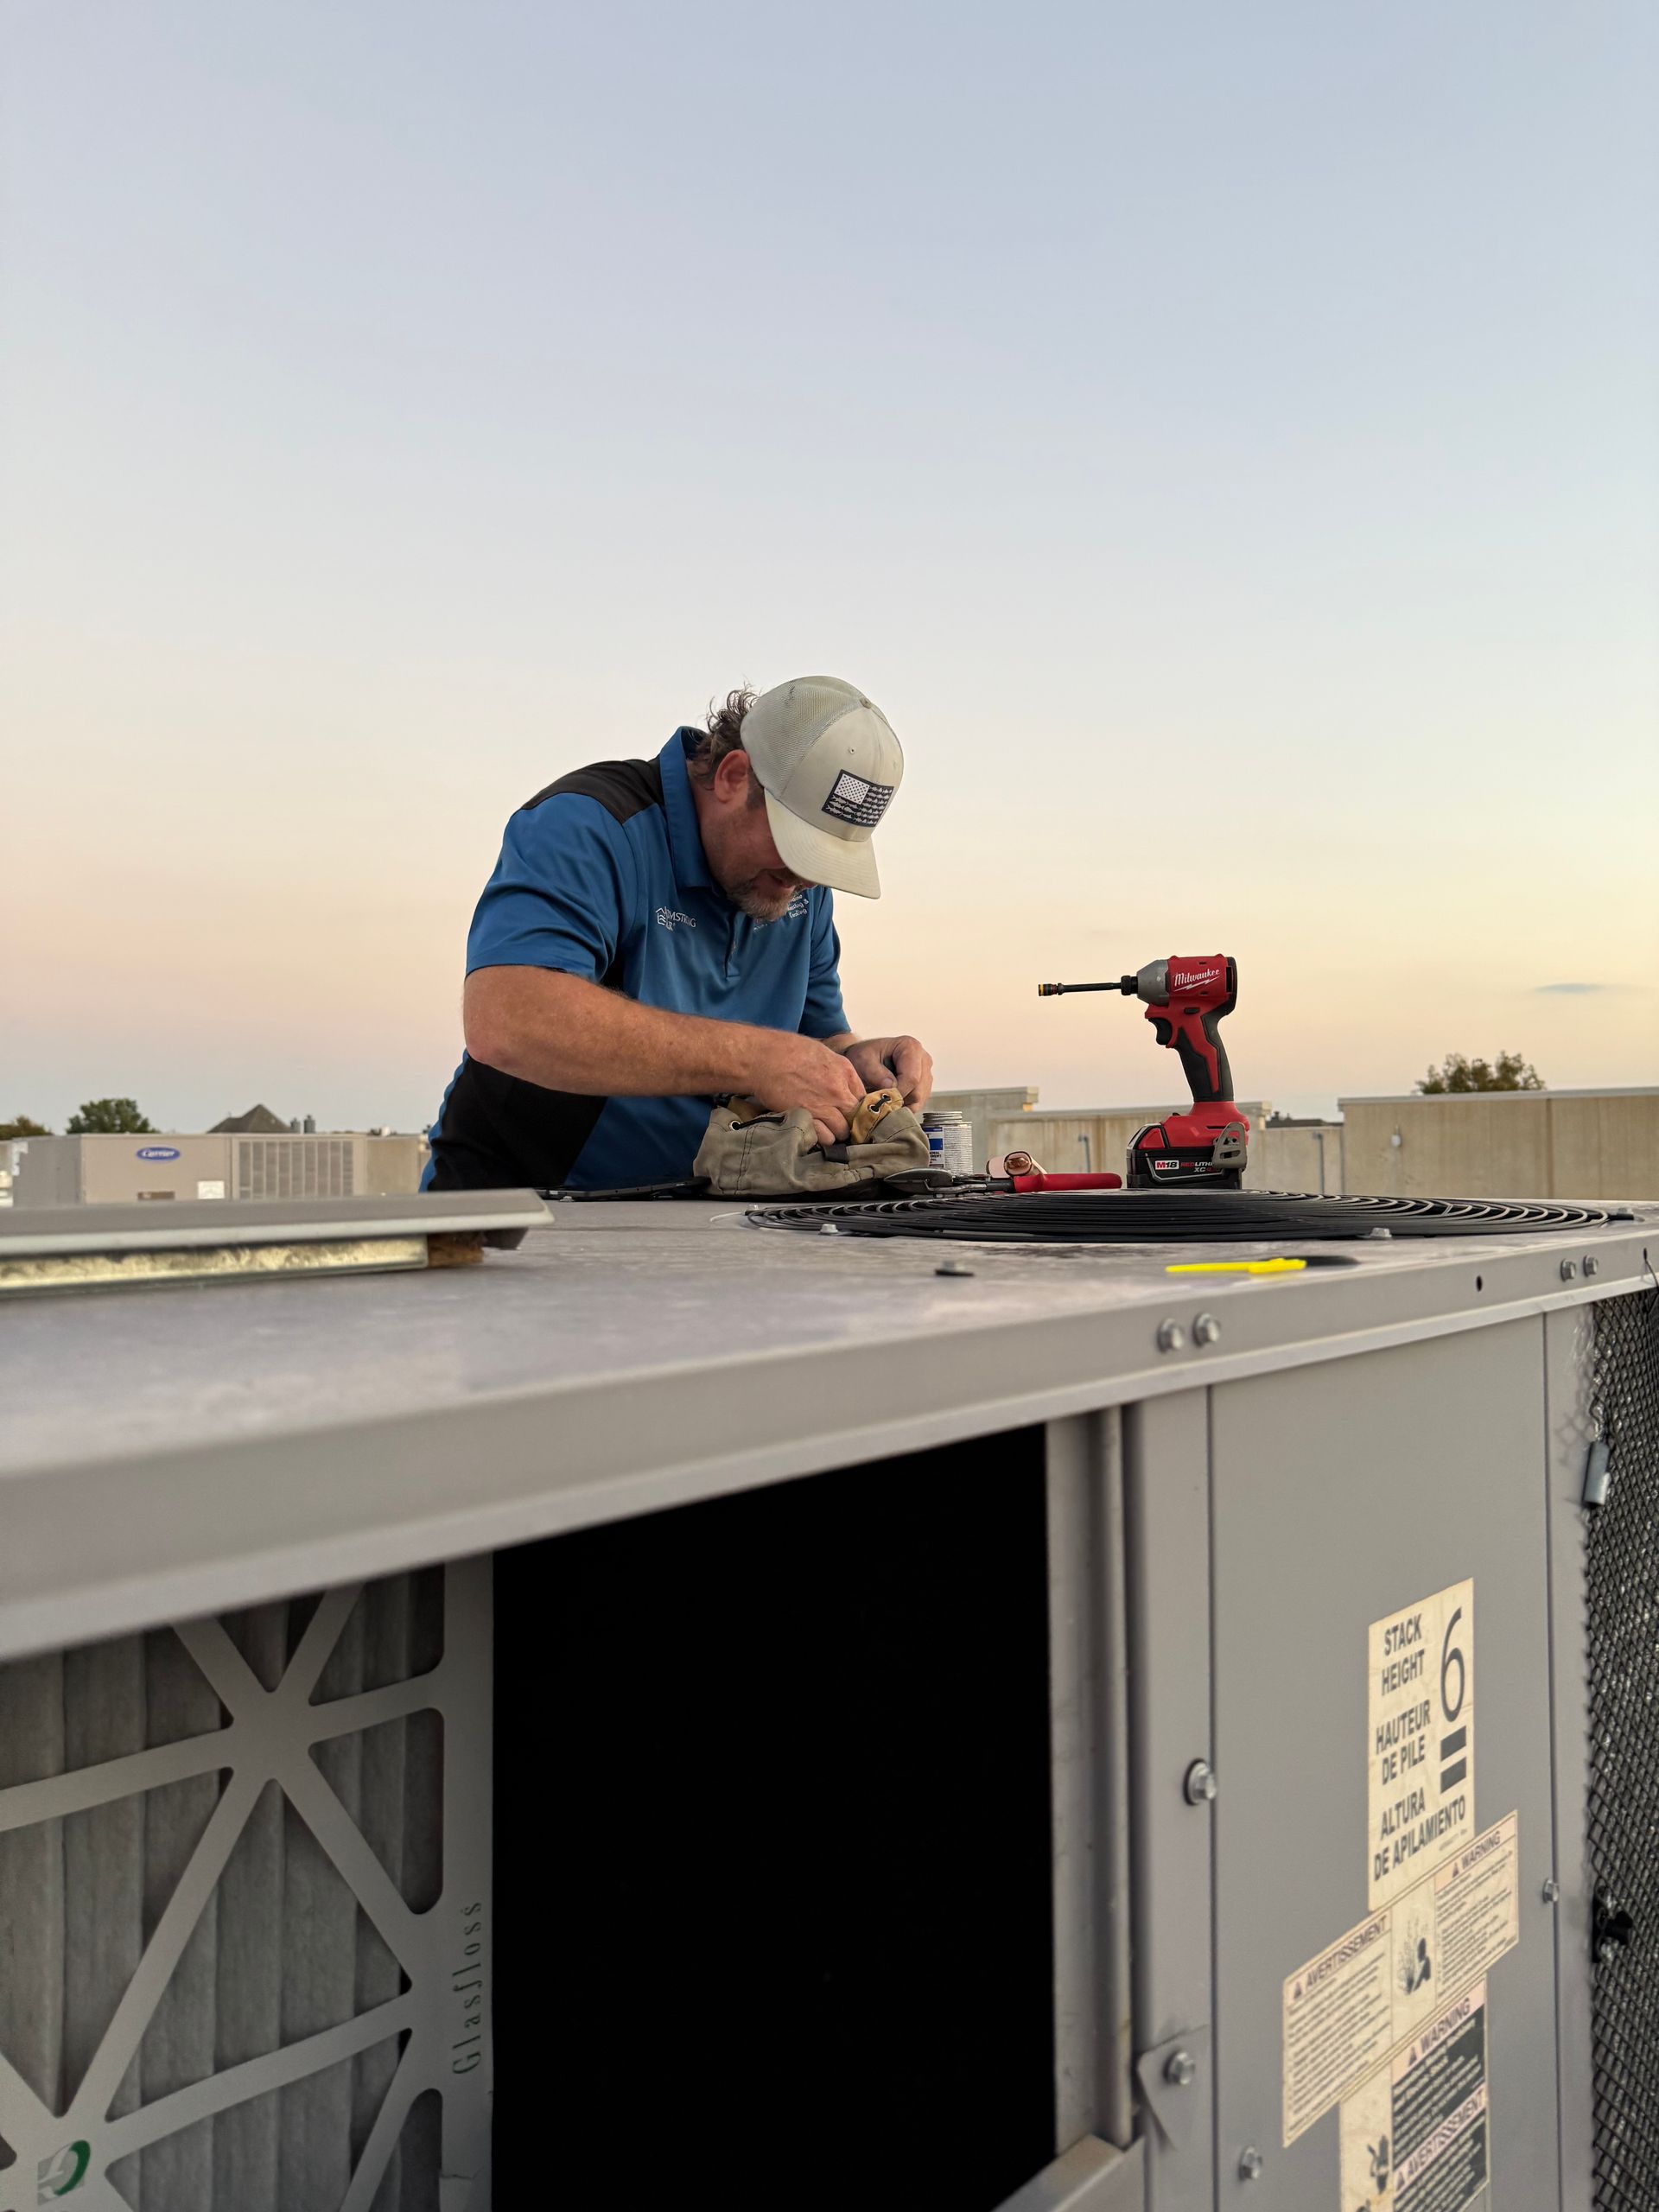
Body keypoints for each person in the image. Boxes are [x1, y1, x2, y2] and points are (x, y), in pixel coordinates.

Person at [423, 676, 934, 1192]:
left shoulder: (794, 885)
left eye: (823, 860)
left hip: (684, 1222)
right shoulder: (592, 824)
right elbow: (508, 1019)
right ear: (734, 776)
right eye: (796, 844)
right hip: (522, 1211)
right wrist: (756, 1061)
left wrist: (855, 1064)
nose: (805, 879)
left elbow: (815, 1035)